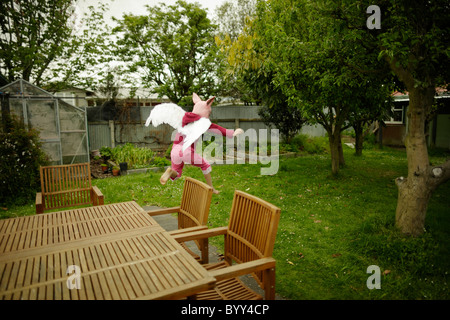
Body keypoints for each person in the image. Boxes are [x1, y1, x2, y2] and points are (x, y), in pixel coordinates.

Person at [146, 93, 243, 194]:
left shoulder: (183, 120)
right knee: (205, 165)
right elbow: (216, 129)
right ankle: (212, 189)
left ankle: (171, 172)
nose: (208, 116)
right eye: (208, 113)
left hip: (174, 151)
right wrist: (232, 133)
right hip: (186, 151)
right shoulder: (202, 122)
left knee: (177, 173)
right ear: (205, 111)